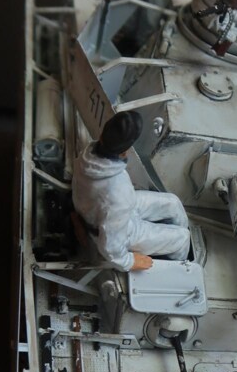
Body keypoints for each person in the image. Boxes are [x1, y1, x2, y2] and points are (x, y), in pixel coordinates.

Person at [72, 111, 190, 272]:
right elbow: (110, 244)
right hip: (112, 229)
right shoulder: (117, 193)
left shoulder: (87, 154)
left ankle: (166, 239)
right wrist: (129, 261)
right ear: (124, 152)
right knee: (183, 238)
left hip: (102, 210)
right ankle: (175, 269)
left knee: (173, 203)